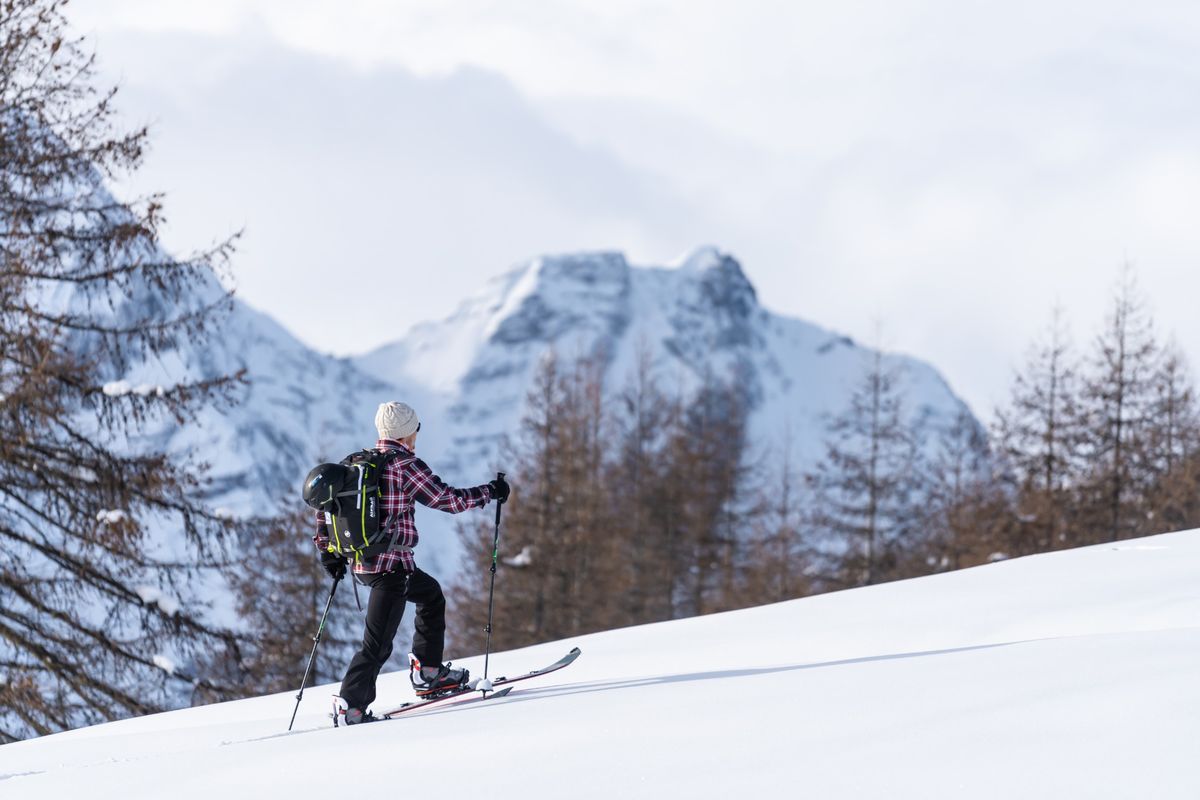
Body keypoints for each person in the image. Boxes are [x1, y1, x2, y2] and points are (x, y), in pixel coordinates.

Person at [314, 401, 510, 725]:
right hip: (392, 570)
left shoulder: (355, 463)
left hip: (364, 566)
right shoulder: (405, 464)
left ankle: (428, 673)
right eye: (416, 430)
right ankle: (351, 705)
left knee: (431, 595)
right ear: (407, 434)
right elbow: (447, 499)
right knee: (376, 644)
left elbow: (324, 508)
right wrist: (489, 492)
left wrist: (327, 551)